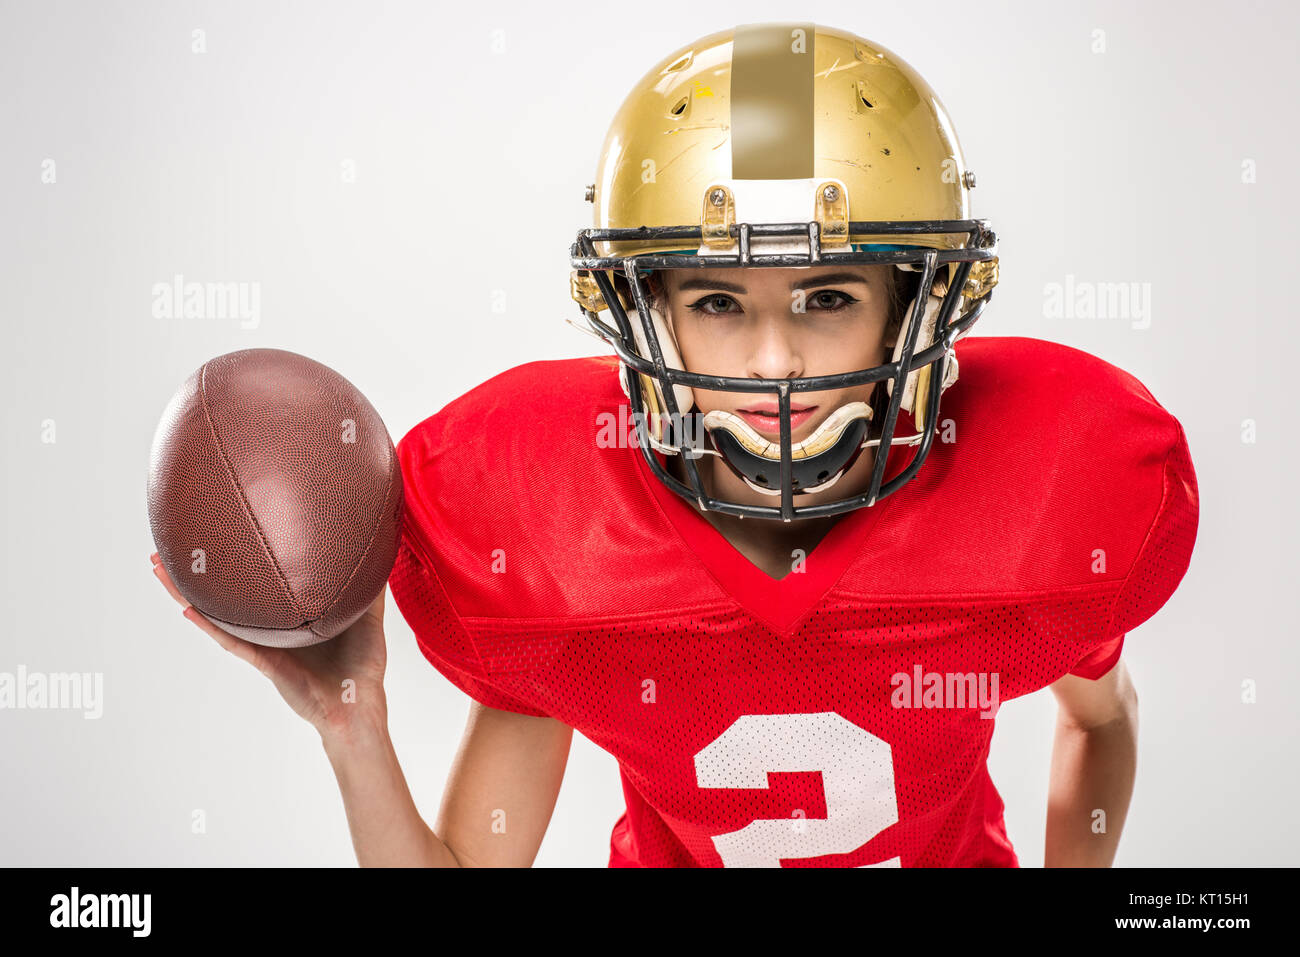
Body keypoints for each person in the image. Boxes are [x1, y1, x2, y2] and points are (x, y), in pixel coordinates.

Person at [153, 22, 1198, 867]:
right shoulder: (552, 545)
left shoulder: (1041, 508)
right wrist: (354, 726)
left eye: (827, 297)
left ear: (914, 306)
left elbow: (1099, 722)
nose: (775, 359)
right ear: (642, 311)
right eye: (717, 301)